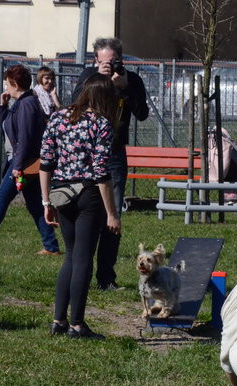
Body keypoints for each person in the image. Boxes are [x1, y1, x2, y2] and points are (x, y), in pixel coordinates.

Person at [40, 73, 120, 340]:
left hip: (61, 194)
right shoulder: (102, 124)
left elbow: (45, 162)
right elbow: (100, 172)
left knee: (70, 256)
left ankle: (58, 320)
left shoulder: (58, 117)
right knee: (84, 258)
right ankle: (77, 325)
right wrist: (112, 213)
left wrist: (45, 201)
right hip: (88, 195)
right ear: (105, 98)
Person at [72, 37, 149, 291]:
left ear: (121, 59)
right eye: (104, 62)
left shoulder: (131, 79)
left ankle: (106, 277)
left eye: (114, 61)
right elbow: (75, 105)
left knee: (112, 216)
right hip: (85, 153)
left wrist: (125, 89)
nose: (110, 66)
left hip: (114, 153)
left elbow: (142, 113)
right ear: (95, 60)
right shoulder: (89, 76)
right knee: (85, 211)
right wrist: (97, 78)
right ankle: (78, 270)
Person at [0, 64, 60, 255]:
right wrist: (3, 106)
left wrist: (17, 166)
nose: (6, 87)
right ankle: (51, 246)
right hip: (26, 164)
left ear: (14, 83)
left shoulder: (27, 104)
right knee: (34, 204)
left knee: (1, 200)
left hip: (24, 164)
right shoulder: (23, 103)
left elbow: (25, 138)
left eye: (7, 84)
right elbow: (9, 127)